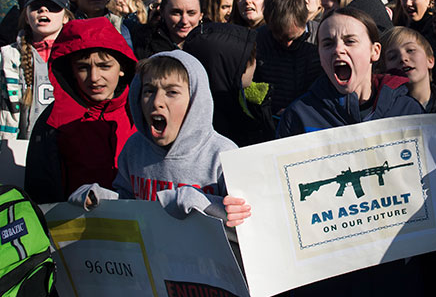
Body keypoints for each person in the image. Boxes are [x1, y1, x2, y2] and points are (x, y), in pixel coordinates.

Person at [225, 6, 427, 297]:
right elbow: (277, 201)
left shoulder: (408, 110)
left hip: (392, 296)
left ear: (375, 51)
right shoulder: (298, 115)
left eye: (350, 40)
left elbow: (430, 191)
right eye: (328, 43)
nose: (339, 49)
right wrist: (246, 209)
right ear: (319, 55)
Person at [68, 50, 237, 224]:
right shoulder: (134, 148)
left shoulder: (223, 153)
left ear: (195, 100)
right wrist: (99, 199)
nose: (157, 102)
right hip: (152, 250)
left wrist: (204, 203)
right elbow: (129, 202)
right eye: (149, 91)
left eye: (172, 92)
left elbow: (244, 221)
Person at [24, 17, 137, 204]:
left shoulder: (141, 112)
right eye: (83, 67)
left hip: (139, 226)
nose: (94, 77)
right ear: (72, 71)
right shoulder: (53, 121)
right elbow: (40, 194)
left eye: (104, 66)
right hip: (74, 228)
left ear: (122, 67)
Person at [184, 23, 275, 147]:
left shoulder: (249, 102)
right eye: (251, 59)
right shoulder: (220, 121)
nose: (256, 63)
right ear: (235, 66)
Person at [0, 0, 72, 139]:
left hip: (69, 148)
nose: (43, 10)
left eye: (53, 6)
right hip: (20, 150)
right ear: (26, 17)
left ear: (66, 17)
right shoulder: (7, 57)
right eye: (36, 6)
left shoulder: (78, 56)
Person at [254, 0, 322, 116]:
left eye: (292, 38)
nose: (287, 44)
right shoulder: (258, 40)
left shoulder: (321, 39)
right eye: (279, 37)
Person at [381, 26, 436, 113]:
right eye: (392, 57)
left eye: (410, 50)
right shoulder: (382, 113)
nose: (403, 58)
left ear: (430, 60)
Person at [132, 0, 203, 59]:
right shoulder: (142, 44)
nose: (184, 21)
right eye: (176, 13)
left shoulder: (210, 47)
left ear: (201, 15)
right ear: (162, 12)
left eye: (191, 13)